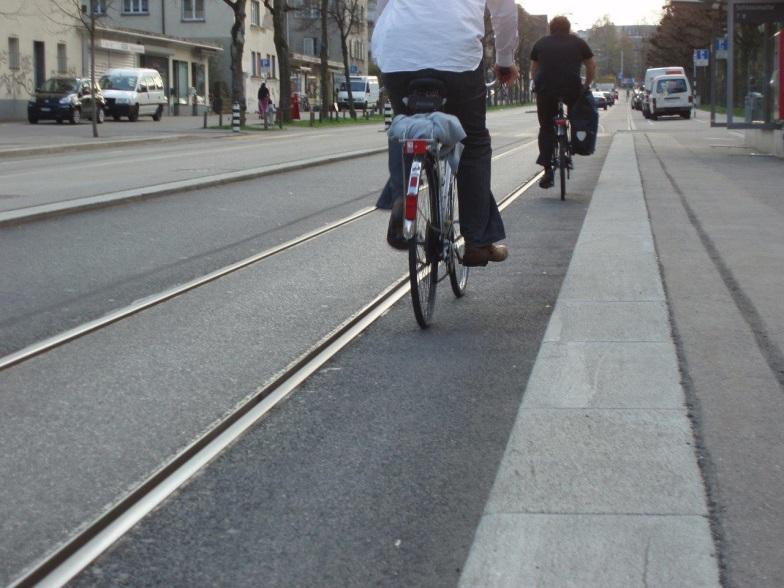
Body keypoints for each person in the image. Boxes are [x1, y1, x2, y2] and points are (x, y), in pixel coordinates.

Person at [372, 0, 519, 267]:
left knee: (406, 125)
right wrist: (505, 60)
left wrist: (382, 51)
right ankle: (477, 242)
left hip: (397, 53)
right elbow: (505, 13)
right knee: (472, 141)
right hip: (457, 57)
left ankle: (401, 197)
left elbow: (382, 8)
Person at [530, 16, 595, 189]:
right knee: (577, 116)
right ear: (568, 28)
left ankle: (547, 170)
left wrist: (537, 84)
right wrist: (586, 85)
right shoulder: (579, 43)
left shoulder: (540, 43)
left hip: (546, 89)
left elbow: (534, 70)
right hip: (571, 88)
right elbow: (591, 66)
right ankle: (575, 144)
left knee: (545, 127)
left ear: (551, 28)